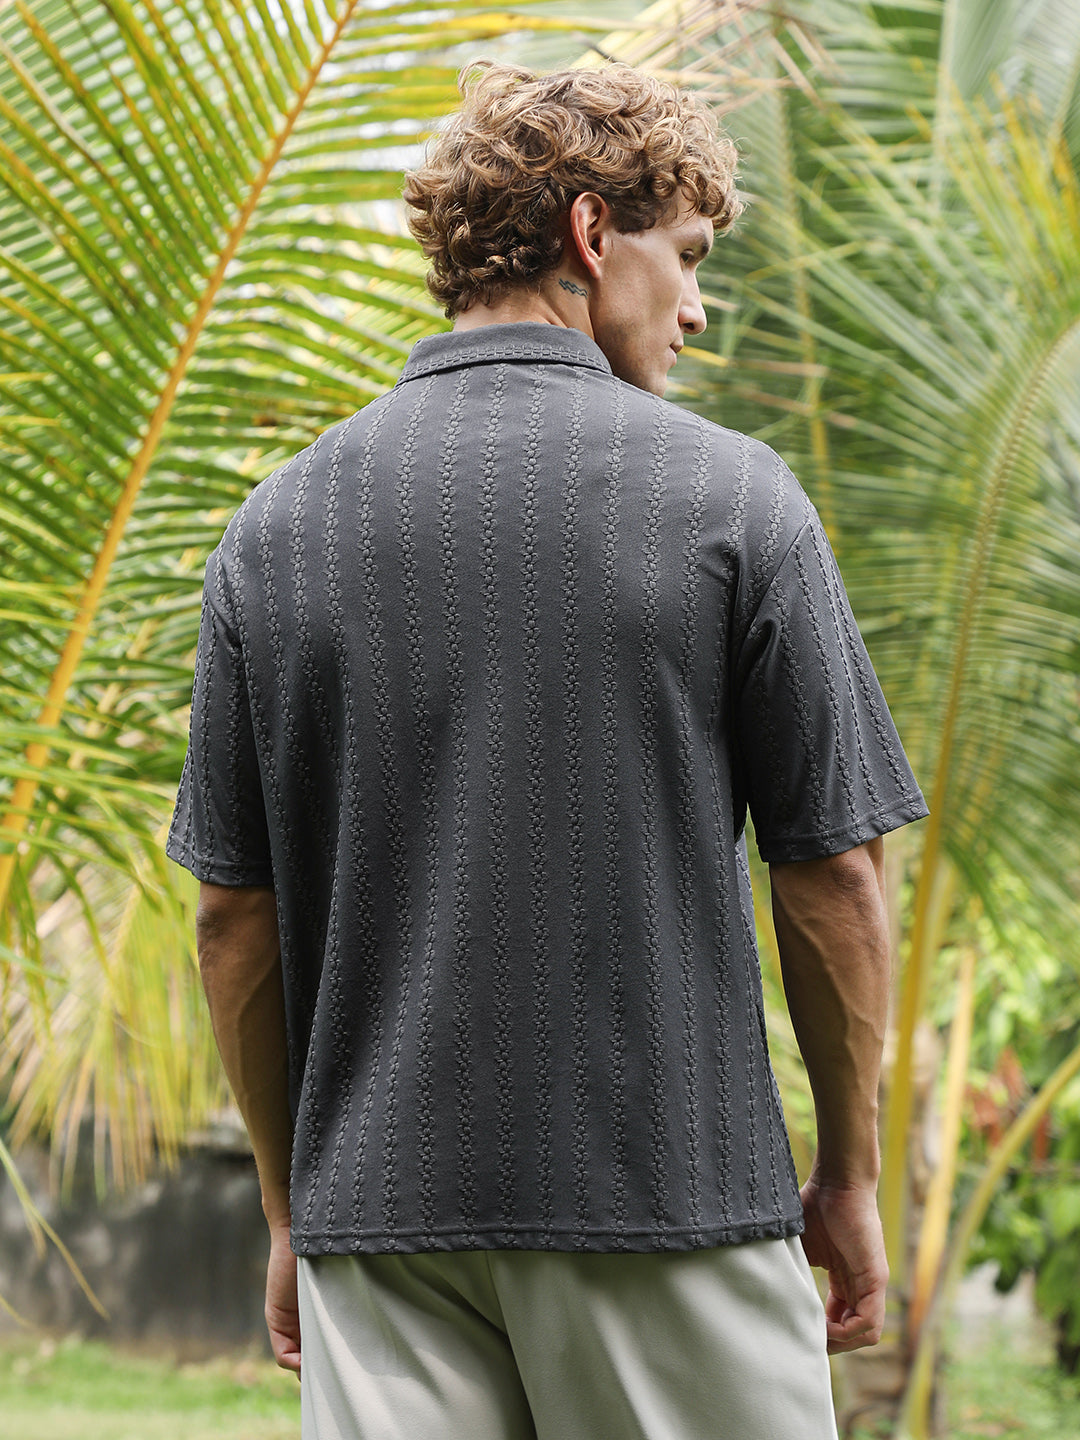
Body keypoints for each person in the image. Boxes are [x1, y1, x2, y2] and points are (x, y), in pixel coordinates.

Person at [167, 60, 928, 1440]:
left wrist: (290, 1210)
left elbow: (233, 918)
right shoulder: (736, 500)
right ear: (590, 234)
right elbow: (836, 880)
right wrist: (851, 1177)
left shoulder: (273, 532)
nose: (696, 306)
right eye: (685, 256)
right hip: (672, 1208)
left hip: (380, 1233)